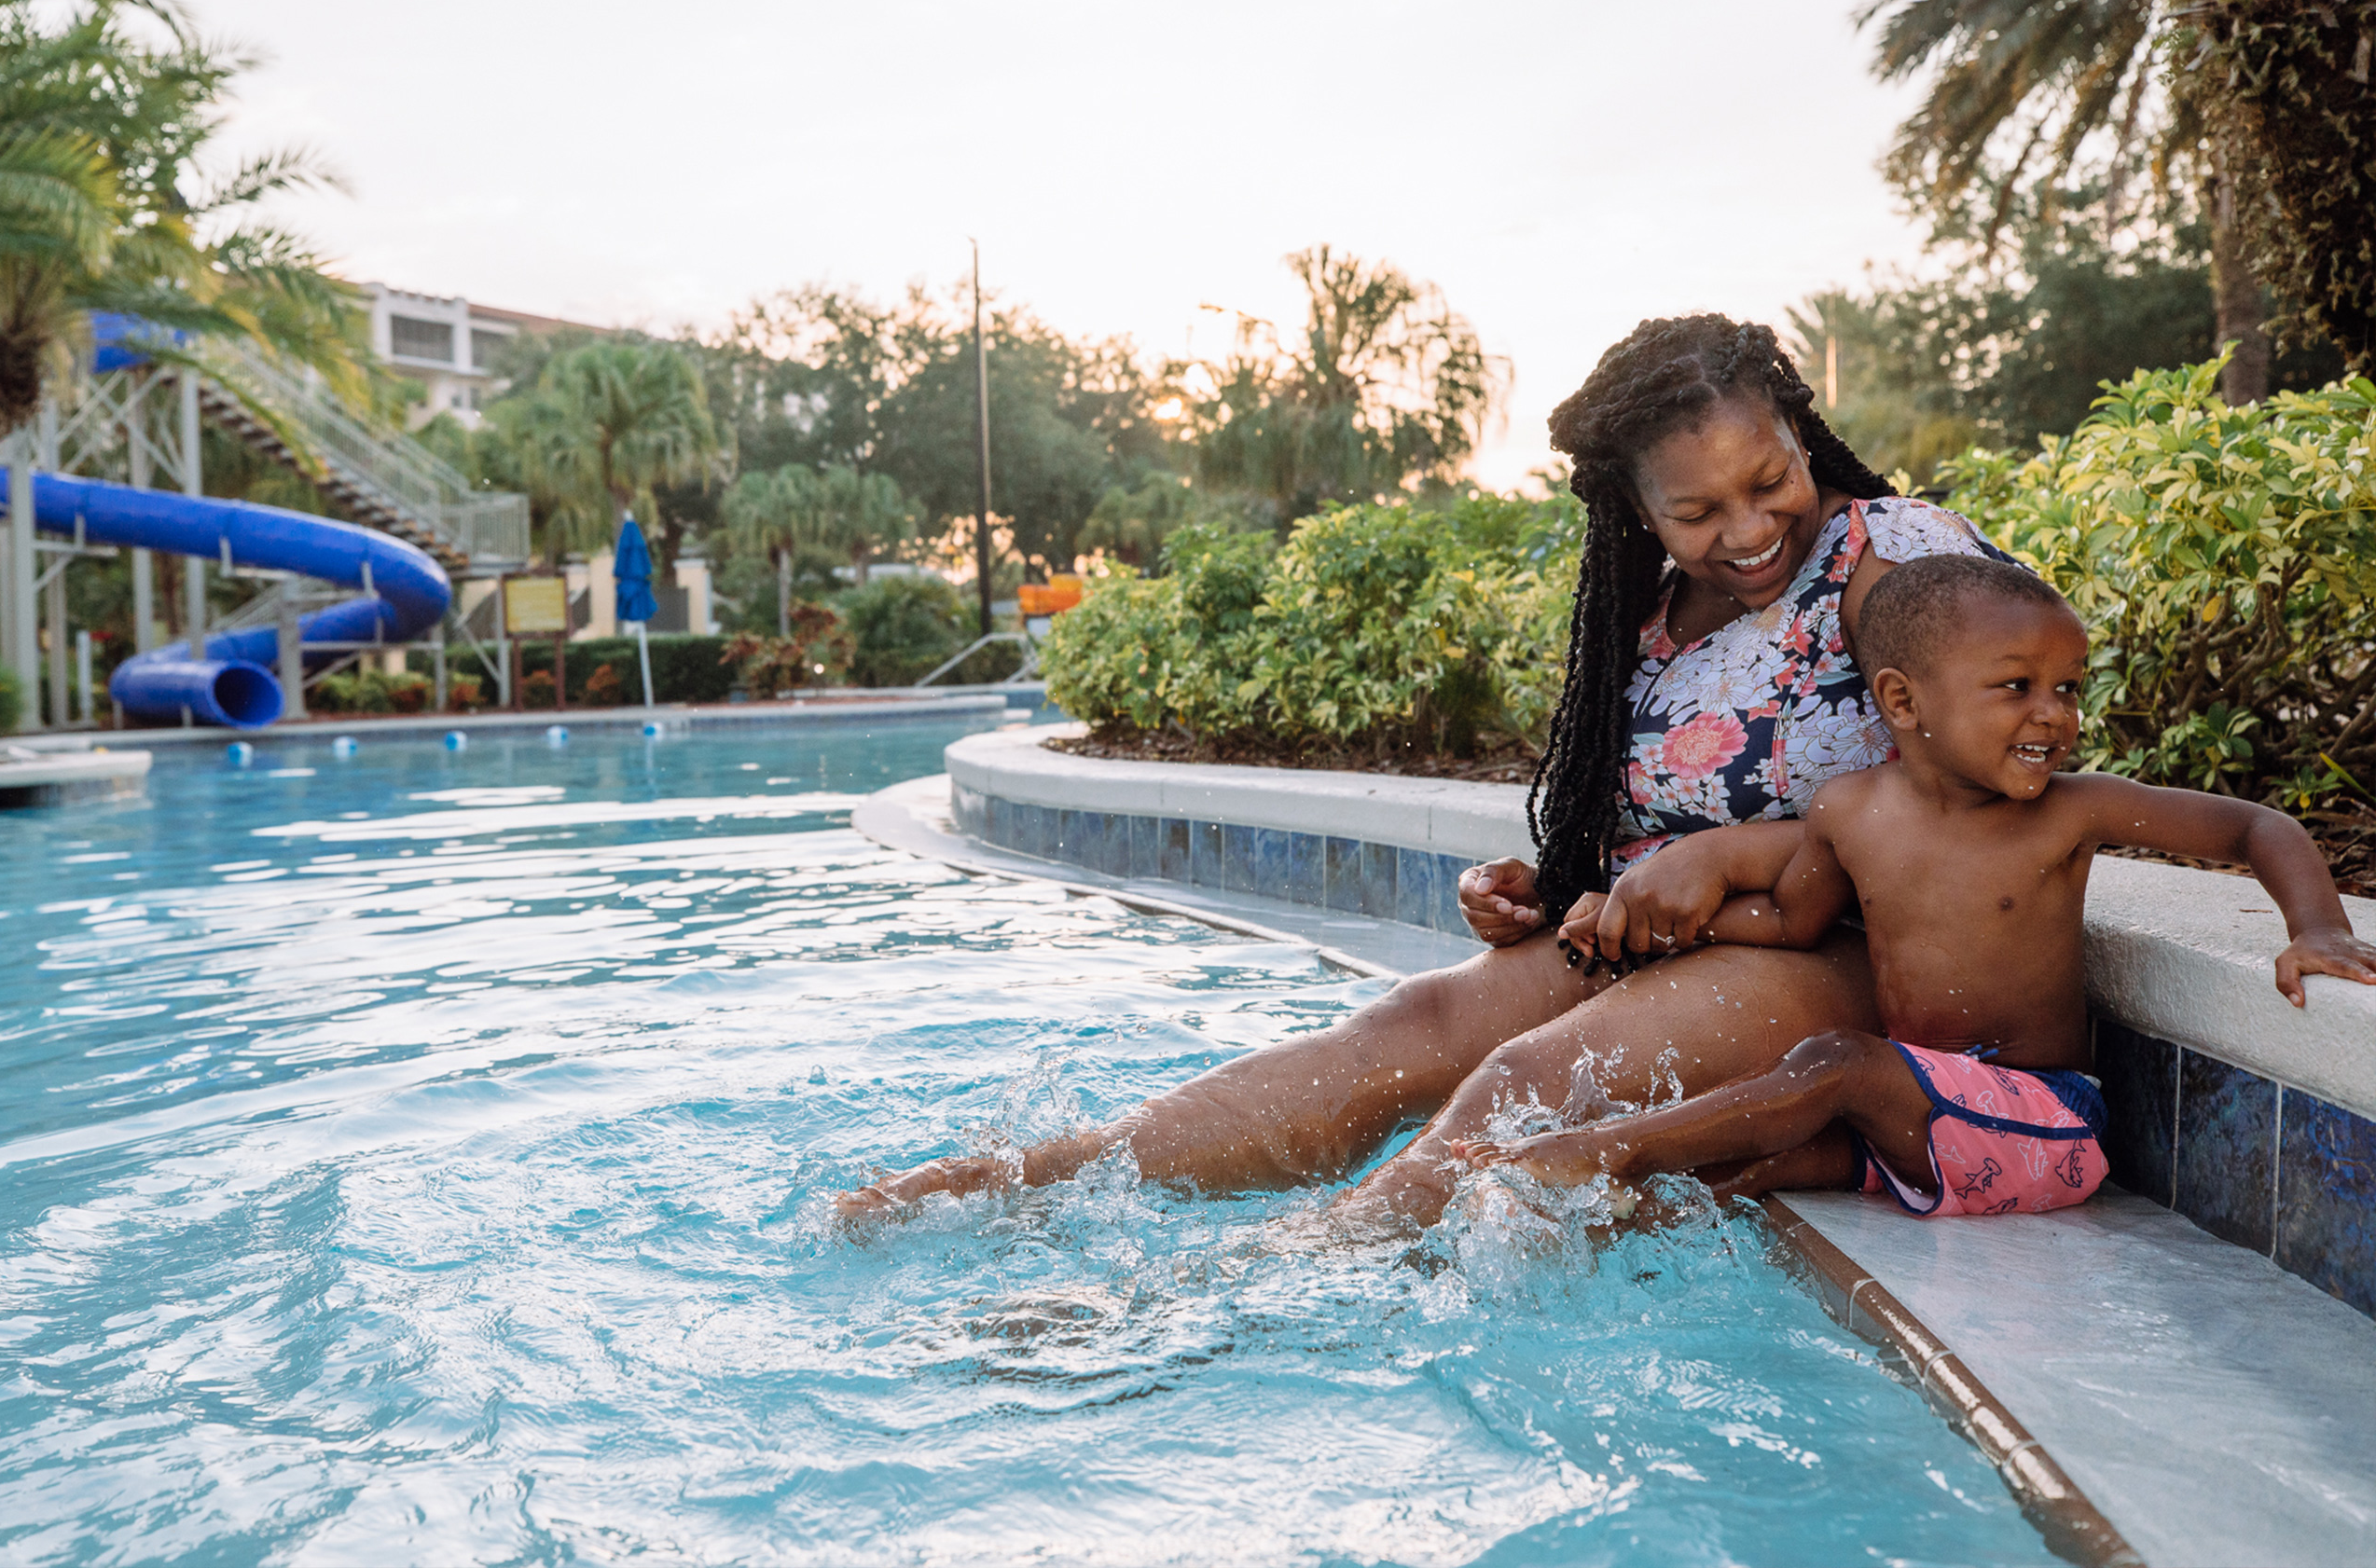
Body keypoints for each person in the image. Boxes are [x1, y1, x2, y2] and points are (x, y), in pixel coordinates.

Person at [838, 315, 2015, 1231]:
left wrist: (1729, 868)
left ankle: (1251, 1292)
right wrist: (1558, 887)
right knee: (1412, 1025)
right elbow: (1655, 810)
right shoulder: (1652, 609)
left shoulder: (1892, 560)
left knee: (1531, 1079)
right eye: (1698, 509)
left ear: (1800, 436)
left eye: (1770, 480)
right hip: (1666, 937)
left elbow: (1993, 789)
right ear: (1639, 509)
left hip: (1849, 954)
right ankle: (1026, 1184)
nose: (1750, 528)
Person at [1457, 556, 2376, 1215]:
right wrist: (1655, 923)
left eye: (2068, 687)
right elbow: (1788, 921)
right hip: (1911, 1122)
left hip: (2042, 1123)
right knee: (1721, 1182)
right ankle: (1572, 1202)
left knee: (1836, 1061)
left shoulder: (2072, 812)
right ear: (1902, 702)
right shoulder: (1850, 813)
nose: (2054, 715)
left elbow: (2258, 825)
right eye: (2016, 687)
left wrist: (2319, 928)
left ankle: (1601, 1146)